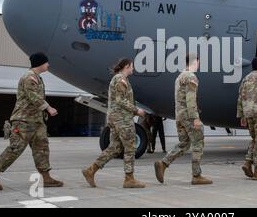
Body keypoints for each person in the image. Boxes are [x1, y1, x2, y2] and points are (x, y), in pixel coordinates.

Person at [0, 52, 63, 190]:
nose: (48, 65)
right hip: (24, 121)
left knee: (42, 149)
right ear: (40, 63)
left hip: (37, 121)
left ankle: (46, 177)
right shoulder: (29, 77)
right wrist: (48, 108)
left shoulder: (37, 77)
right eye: (46, 62)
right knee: (15, 148)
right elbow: (34, 97)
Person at [82, 58, 146, 188]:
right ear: (127, 66)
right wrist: (136, 110)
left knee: (115, 147)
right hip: (121, 119)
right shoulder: (120, 80)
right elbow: (120, 100)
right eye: (132, 66)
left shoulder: (121, 79)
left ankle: (91, 170)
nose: (133, 69)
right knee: (130, 146)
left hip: (116, 118)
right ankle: (129, 178)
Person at [154, 53, 212, 185]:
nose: (199, 64)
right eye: (198, 61)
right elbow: (190, 99)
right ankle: (196, 175)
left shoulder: (180, 76)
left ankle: (163, 164)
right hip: (188, 115)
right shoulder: (191, 77)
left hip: (179, 115)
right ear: (195, 61)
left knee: (184, 144)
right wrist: (195, 118)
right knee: (198, 142)